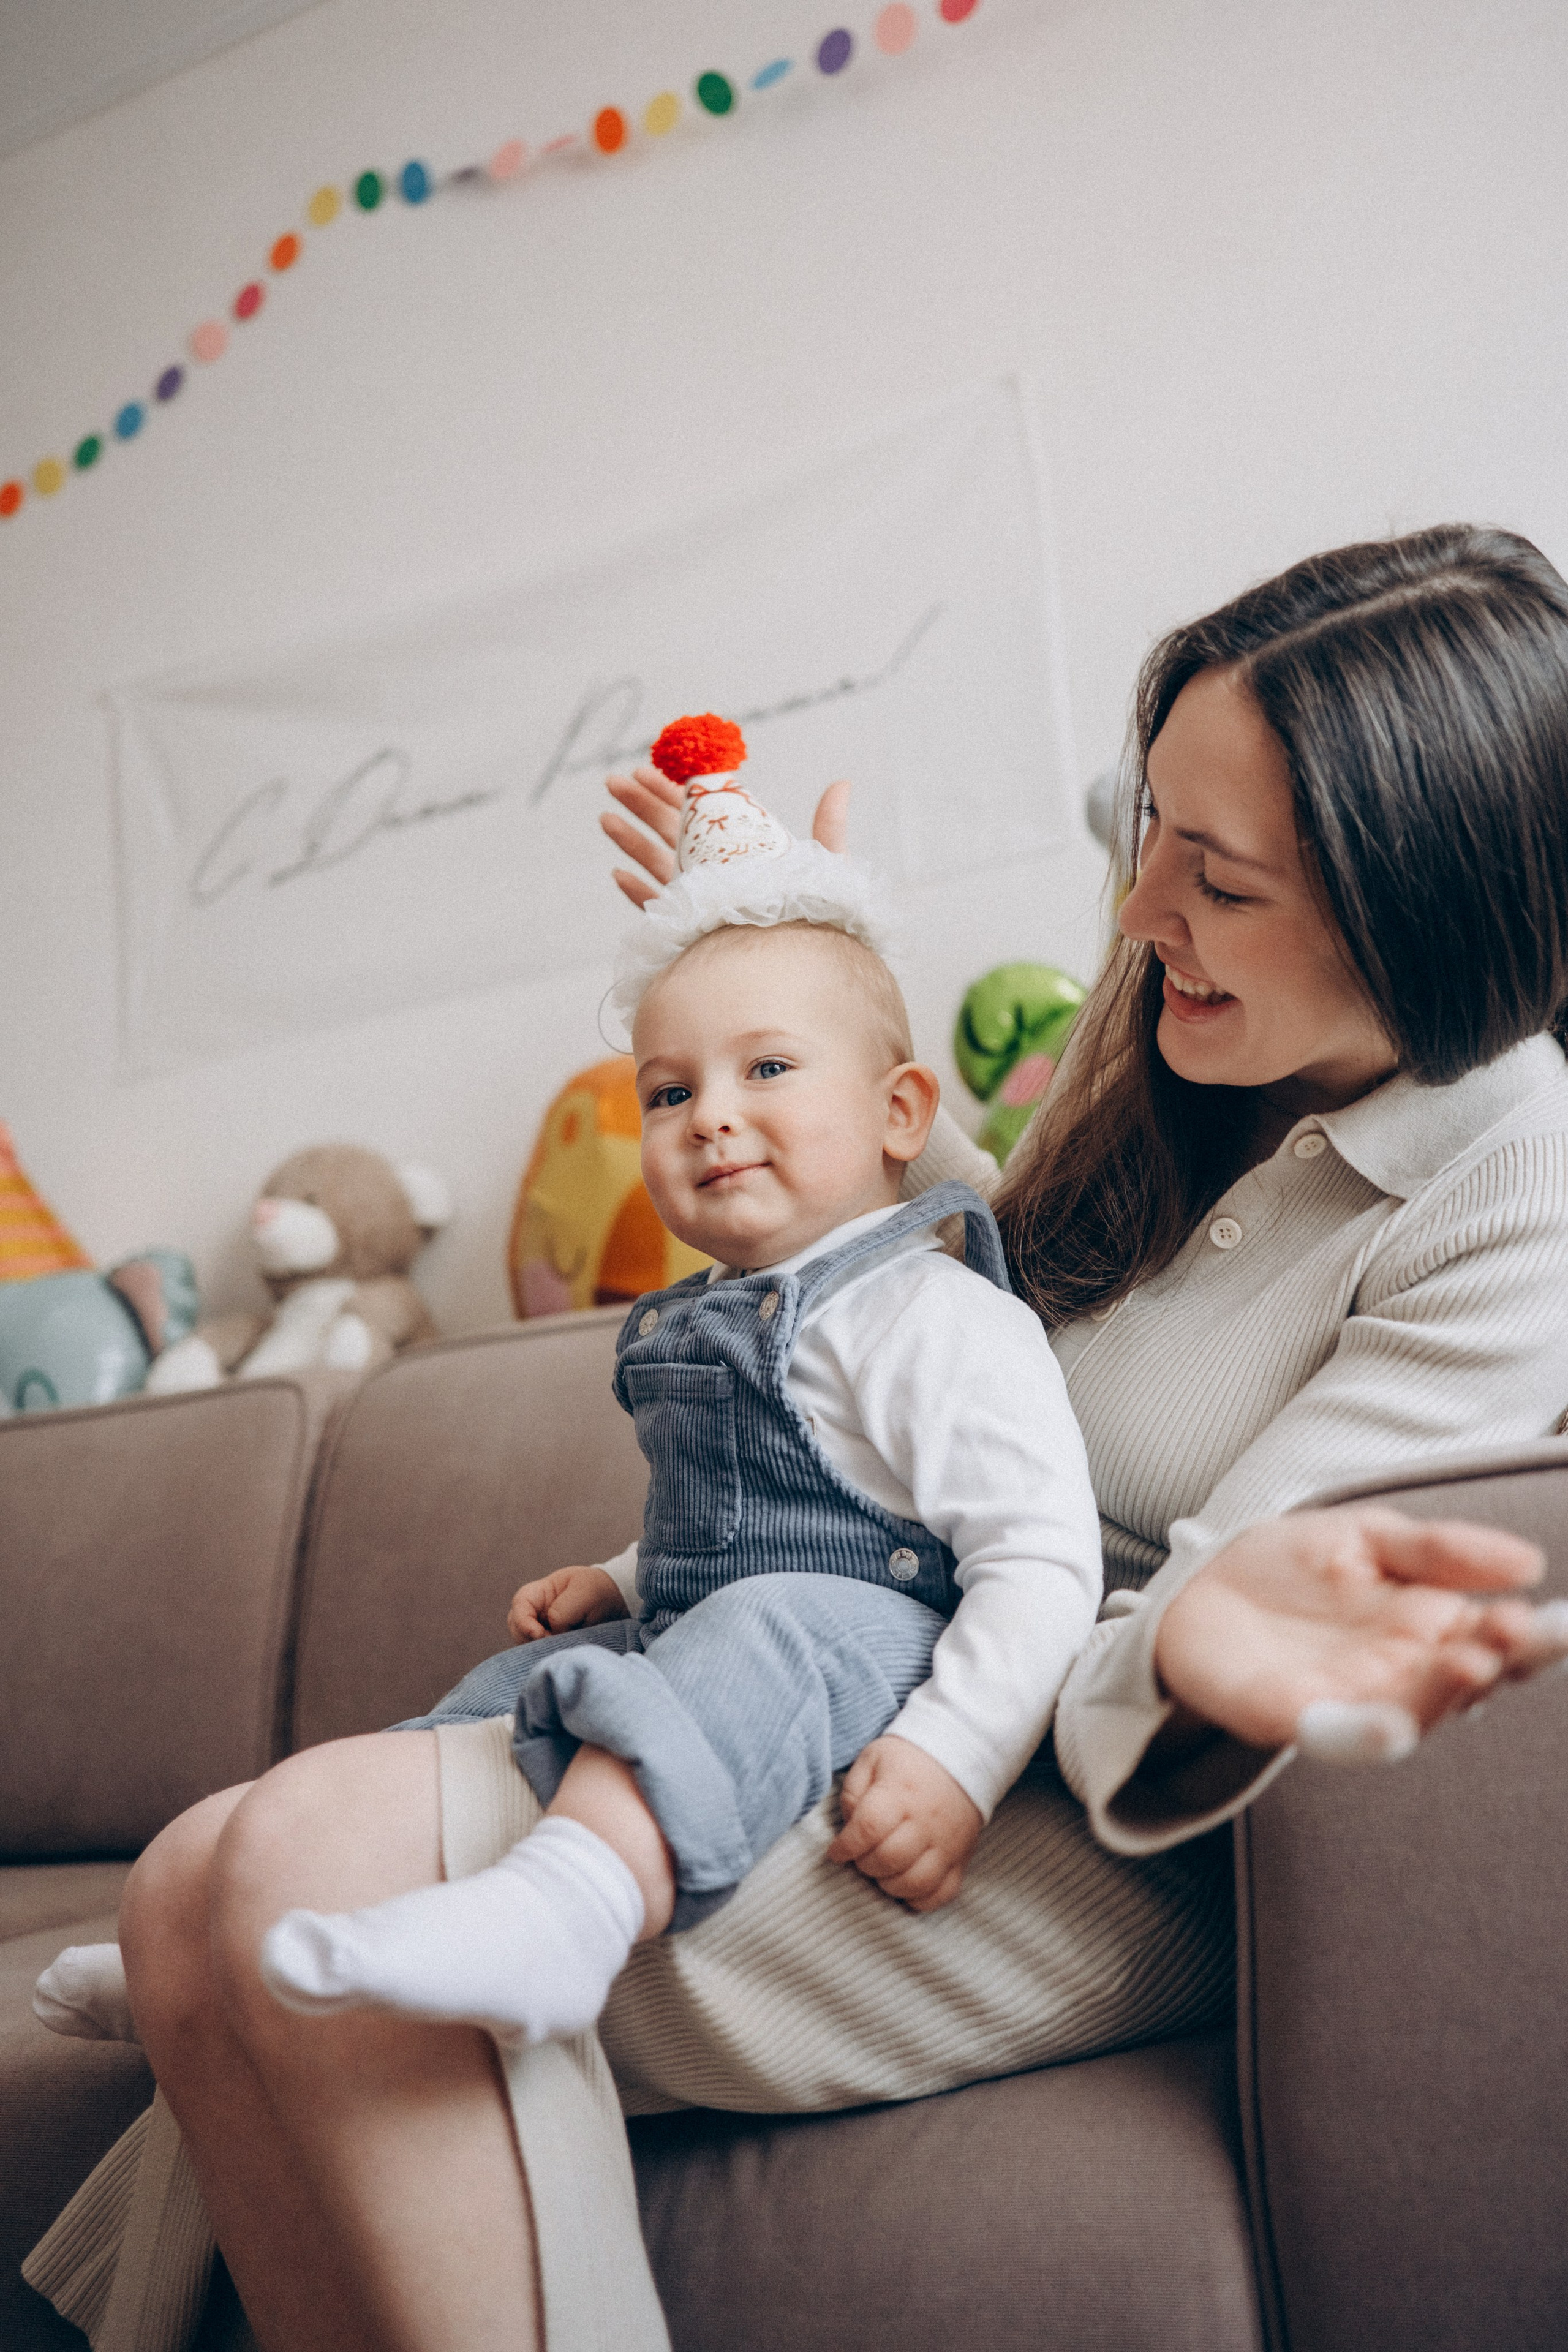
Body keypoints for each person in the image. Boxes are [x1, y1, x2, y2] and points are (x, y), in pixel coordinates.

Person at [25, 524, 1568, 2352]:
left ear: (1427, 910)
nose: (1144, 909)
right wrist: (786, 983)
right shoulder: (1188, 1019)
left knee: (281, 1896)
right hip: (896, 1660)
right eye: (1152, 826)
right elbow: (983, 1299)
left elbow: (1193, 1601)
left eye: (1216, 879)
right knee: (208, 1873)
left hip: (1080, 1806)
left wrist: (1199, 1640)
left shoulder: (1513, 1193)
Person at [251, 801, 1105, 2040]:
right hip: (724, 1635)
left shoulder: (936, 1315)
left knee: (758, 1628)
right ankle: (256, 1939)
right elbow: (749, 1512)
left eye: (765, 1068)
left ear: (900, 1116)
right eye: (667, 1091)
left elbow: (1036, 1562)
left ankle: (569, 1911)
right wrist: (622, 1576)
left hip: (870, 1657)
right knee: (524, 1684)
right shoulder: (701, 1314)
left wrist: (953, 1760)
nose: (707, 1113)